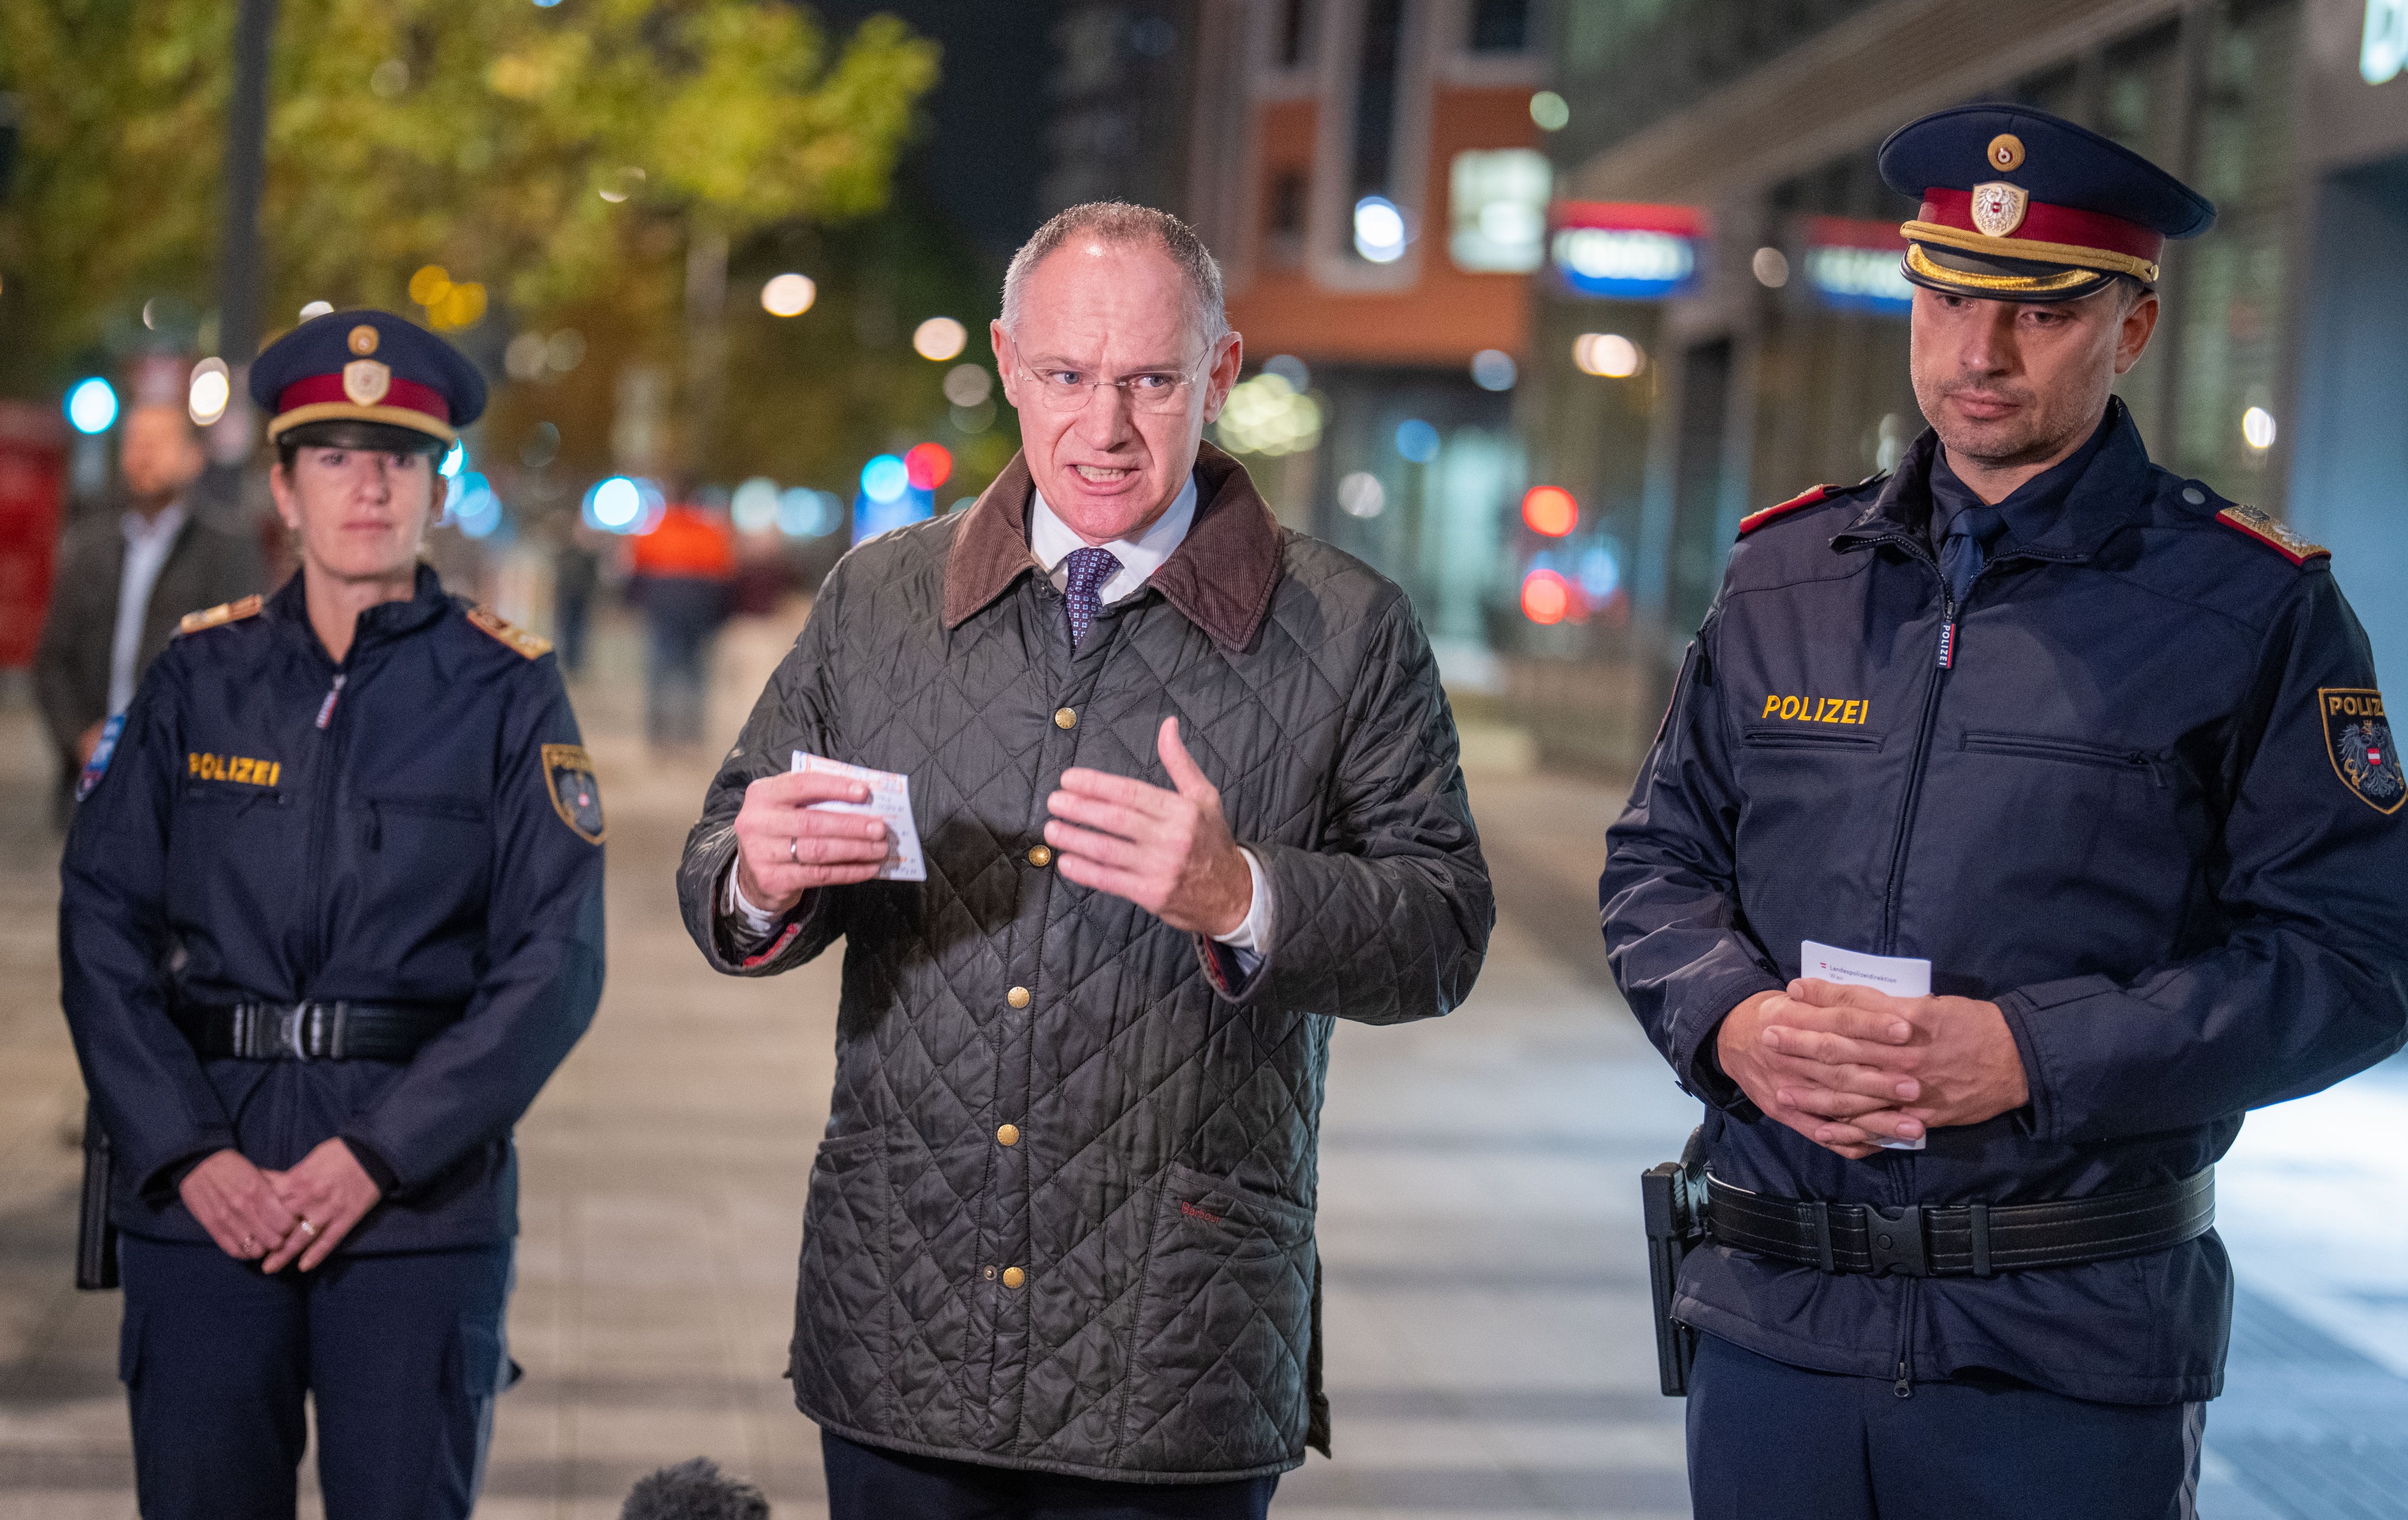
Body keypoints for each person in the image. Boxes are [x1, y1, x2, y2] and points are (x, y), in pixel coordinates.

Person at [1601, 103, 2408, 1519]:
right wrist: (1732, 1017)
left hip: (2068, 1352)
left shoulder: (2253, 608)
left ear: (2133, 328)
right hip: (1774, 1325)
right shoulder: (1783, 577)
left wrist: (2031, 1054)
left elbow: (2356, 960)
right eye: (1949, 300)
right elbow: (1656, 863)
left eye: (2036, 313)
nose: (1978, 353)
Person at [674, 202, 1493, 1519]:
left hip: (1177, 1343)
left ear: (1219, 372)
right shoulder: (877, 599)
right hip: (900, 1313)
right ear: (1007, 362)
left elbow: (1445, 930)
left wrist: (1247, 894)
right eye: (1064, 375)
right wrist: (755, 872)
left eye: (1150, 380)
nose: (1103, 427)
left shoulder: (1347, 627)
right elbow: (718, 866)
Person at [59, 309, 607, 1520]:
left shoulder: (508, 688)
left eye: (399, 458)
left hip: (413, 1205)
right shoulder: (197, 678)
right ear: (283, 486)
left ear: (436, 485)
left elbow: (552, 961)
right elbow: (101, 925)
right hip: (207, 1187)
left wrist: (377, 1152)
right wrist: (189, 1152)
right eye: (336, 457)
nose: (369, 485)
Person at [34, 402, 260, 823]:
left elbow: (242, 669)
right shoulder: (88, 549)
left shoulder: (228, 550)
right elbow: (52, 662)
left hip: (184, 792)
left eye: (159, 443)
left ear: (194, 457)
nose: (144, 455)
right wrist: (80, 737)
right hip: (92, 786)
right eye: (136, 442)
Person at [628, 488, 736, 749]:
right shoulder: (711, 531)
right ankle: (692, 733)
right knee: (695, 672)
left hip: (664, 609)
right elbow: (725, 578)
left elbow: (638, 573)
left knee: (660, 671)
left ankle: (658, 733)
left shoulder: (655, 529)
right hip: (699, 610)